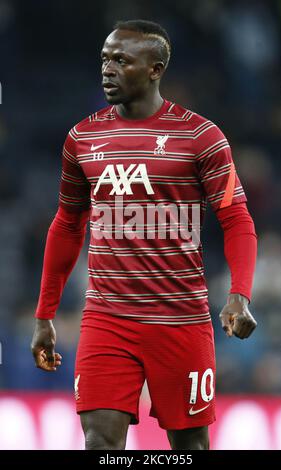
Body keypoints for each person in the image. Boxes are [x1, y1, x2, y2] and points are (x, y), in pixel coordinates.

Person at [31, 19, 257, 450]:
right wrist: (45, 314)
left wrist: (239, 294)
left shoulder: (201, 137)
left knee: (190, 447)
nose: (107, 69)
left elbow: (237, 220)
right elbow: (67, 224)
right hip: (106, 318)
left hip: (181, 321)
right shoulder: (82, 137)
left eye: (121, 60)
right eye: (104, 59)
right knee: (99, 442)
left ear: (155, 69)